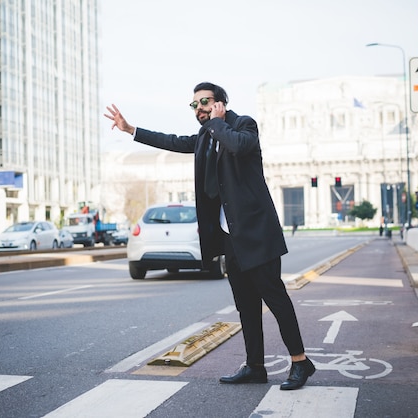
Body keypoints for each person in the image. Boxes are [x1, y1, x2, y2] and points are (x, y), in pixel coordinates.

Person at [104, 82, 315, 390]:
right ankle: (255, 366)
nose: (199, 109)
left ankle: (300, 362)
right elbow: (174, 141)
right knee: (246, 304)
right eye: (194, 105)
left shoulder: (244, 125)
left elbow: (239, 146)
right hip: (230, 236)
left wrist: (218, 122)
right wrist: (131, 129)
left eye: (204, 102)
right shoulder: (205, 135)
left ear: (220, 104)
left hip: (256, 233)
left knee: (276, 299)